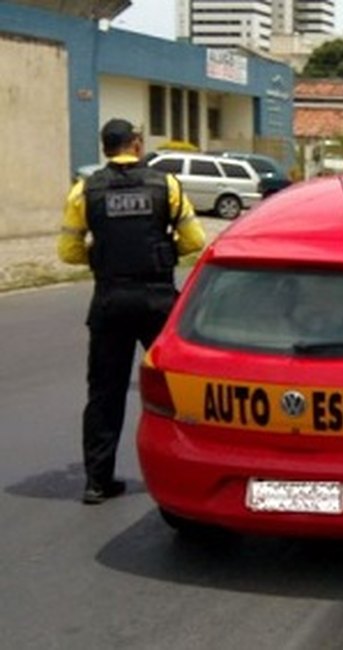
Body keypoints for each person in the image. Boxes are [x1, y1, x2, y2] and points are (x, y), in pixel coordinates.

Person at [58, 118, 206, 505]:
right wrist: (162, 250)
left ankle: (96, 482)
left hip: (110, 300)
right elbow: (195, 240)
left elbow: (68, 252)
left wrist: (102, 255)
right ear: (136, 145)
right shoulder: (166, 185)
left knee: (105, 393)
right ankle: (191, 477)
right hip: (157, 299)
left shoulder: (84, 191)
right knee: (178, 391)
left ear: (106, 148)